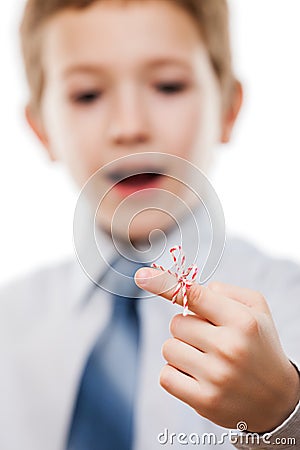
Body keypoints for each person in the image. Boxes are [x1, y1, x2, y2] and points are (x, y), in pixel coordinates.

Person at [0, 0, 299, 449]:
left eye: (168, 85)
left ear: (228, 108)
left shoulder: (289, 302)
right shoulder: (10, 324)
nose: (130, 126)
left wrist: (284, 419)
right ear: (41, 129)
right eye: (87, 95)